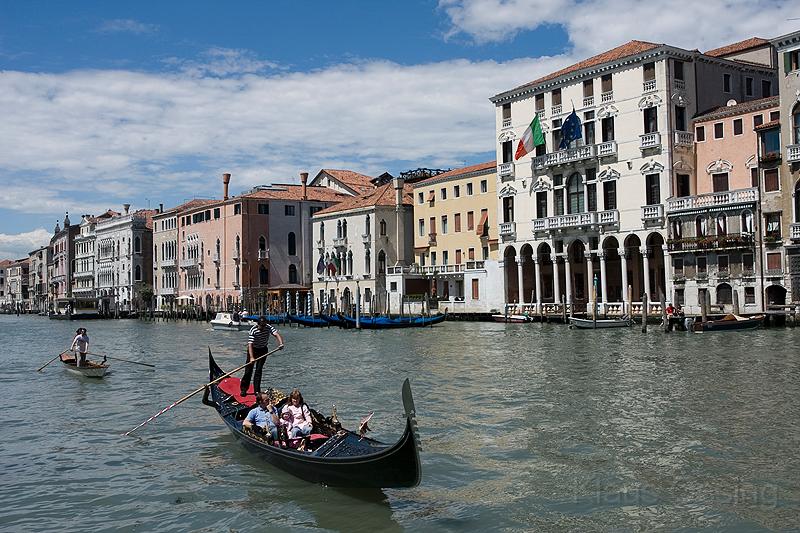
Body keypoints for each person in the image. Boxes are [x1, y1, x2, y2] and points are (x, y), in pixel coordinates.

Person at [240, 316, 284, 397]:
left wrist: (280, 343)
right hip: (253, 350)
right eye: (262, 326)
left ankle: (257, 391)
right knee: (248, 371)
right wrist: (252, 357)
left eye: (264, 326)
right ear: (258, 324)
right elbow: (250, 344)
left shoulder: (268, 327)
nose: (263, 328)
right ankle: (243, 389)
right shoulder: (253, 330)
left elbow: (276, 334)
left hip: (263, 350)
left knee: (258, 370)